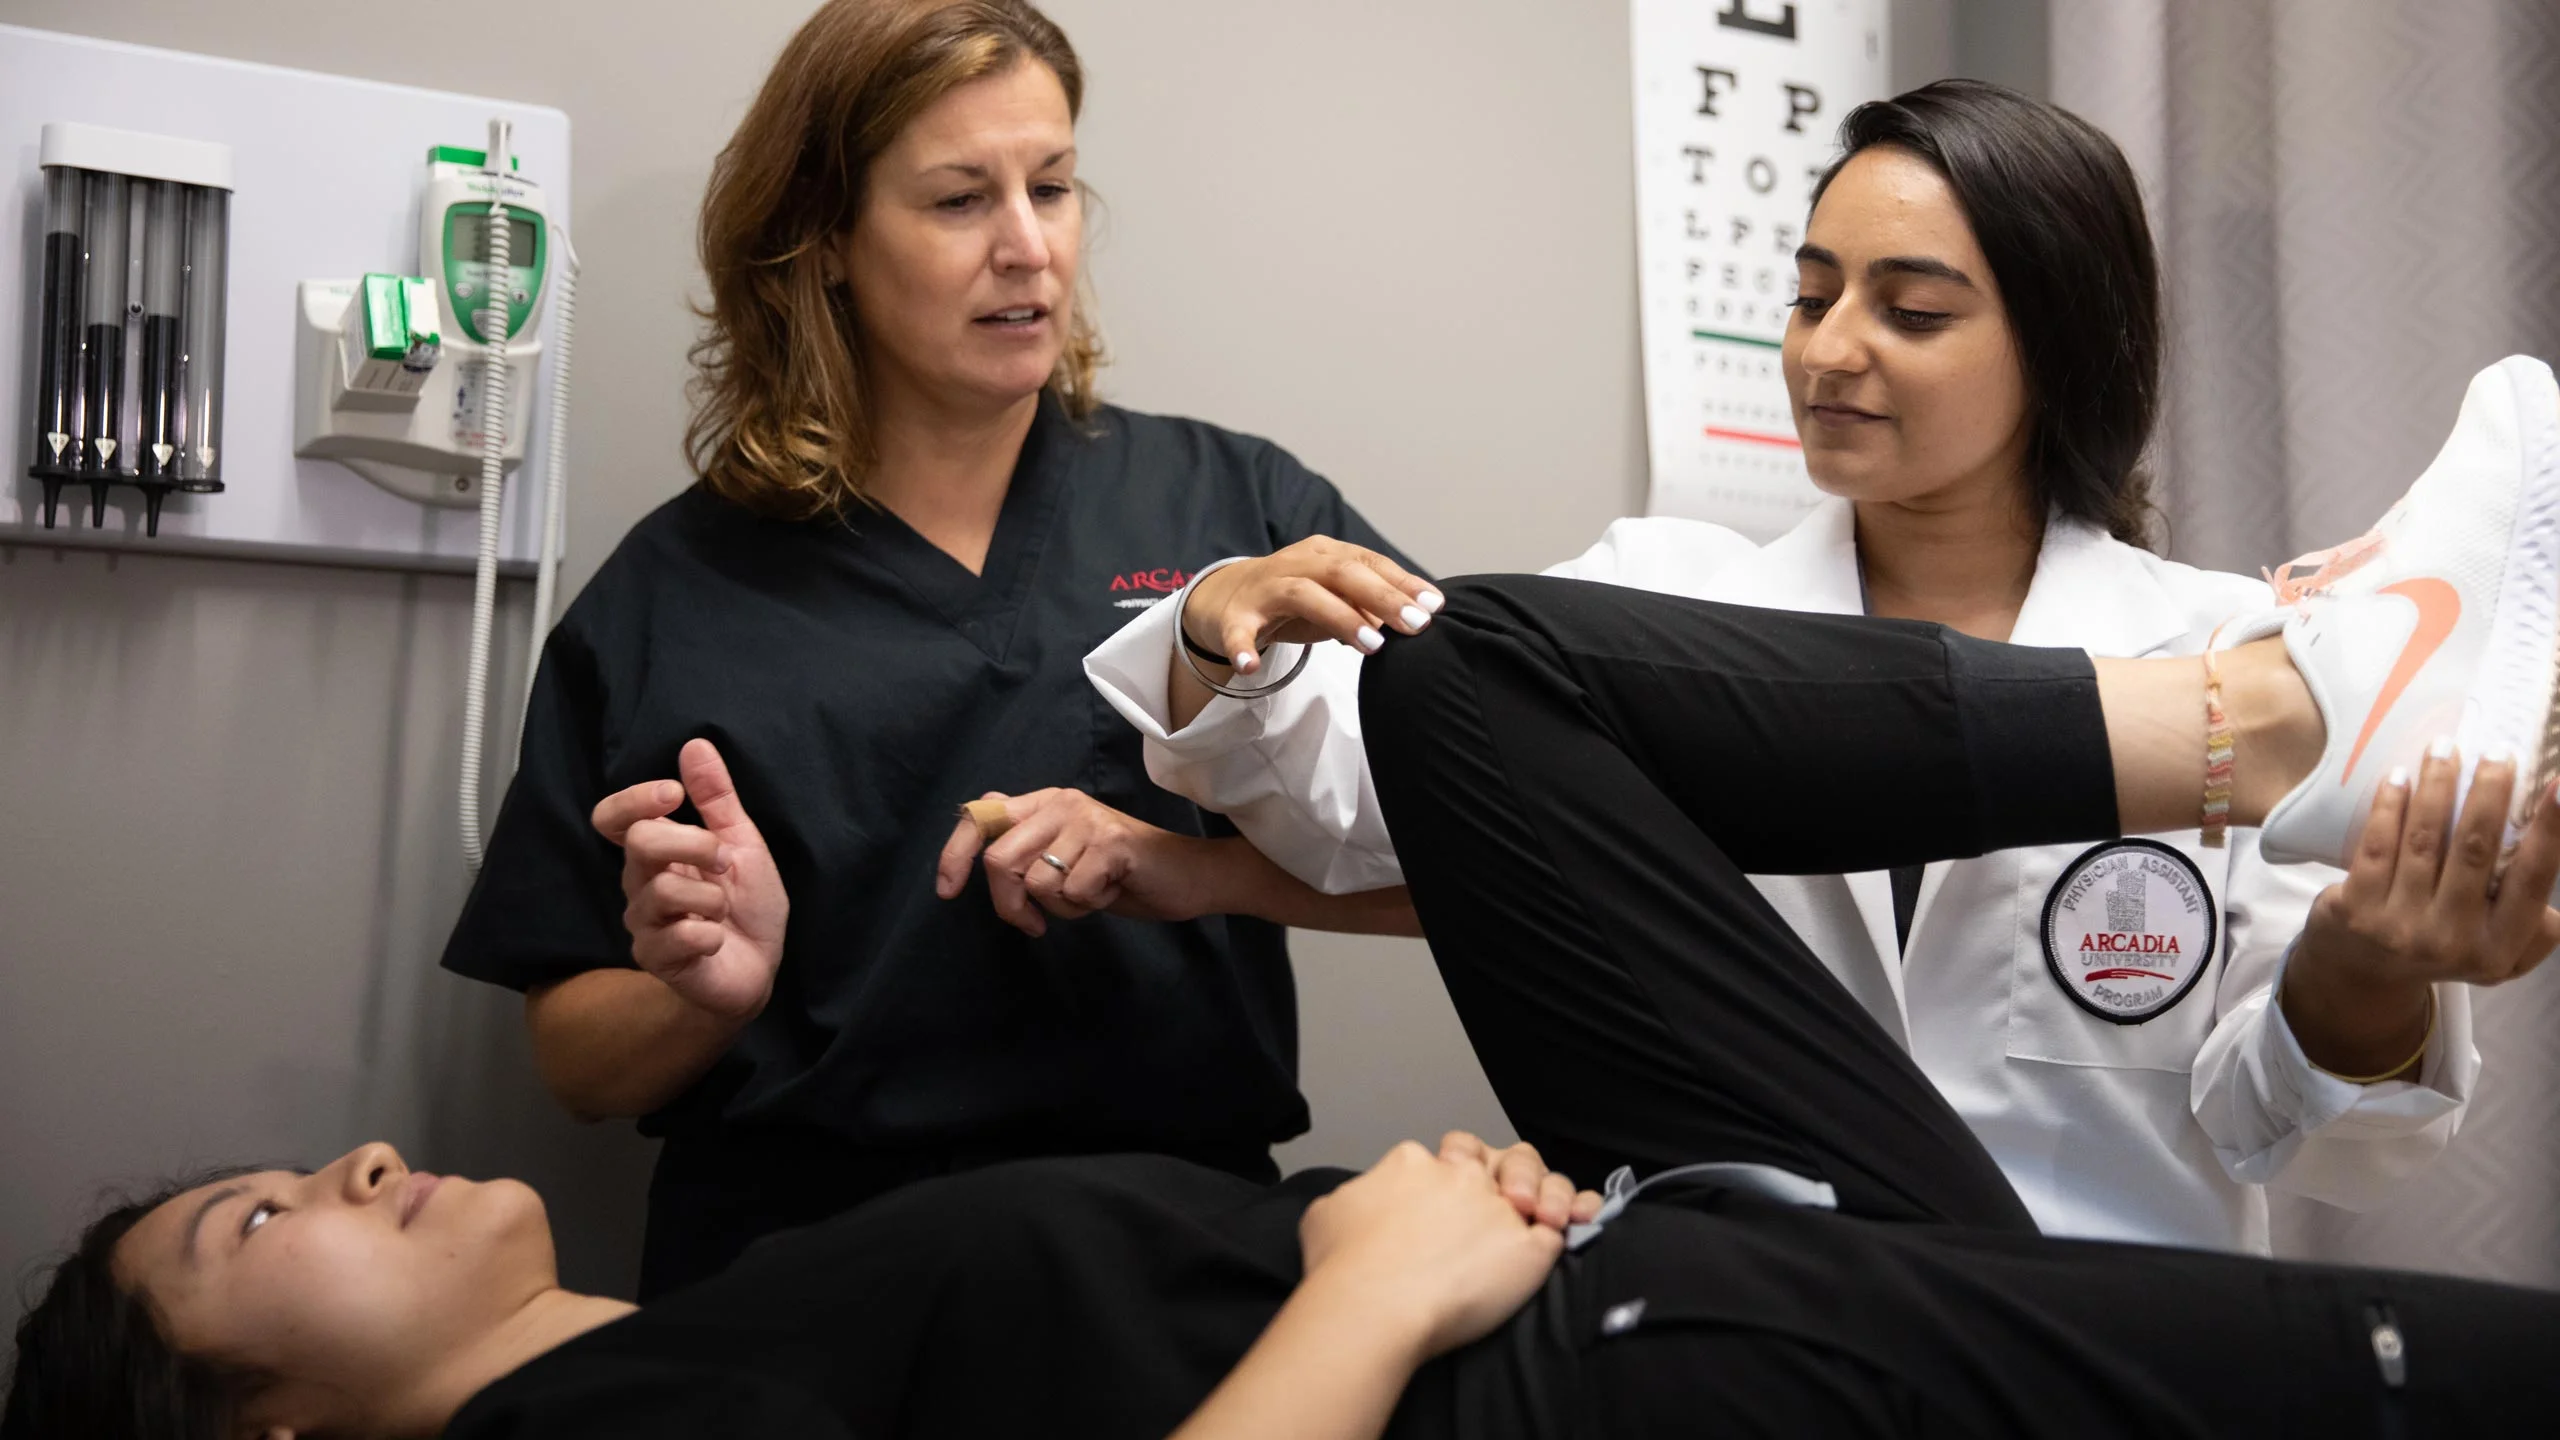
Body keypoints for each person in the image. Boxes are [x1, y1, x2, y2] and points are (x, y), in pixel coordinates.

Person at [13, 446, 2560, 1437]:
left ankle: (2273, 714)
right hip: (1601, 1349)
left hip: (1656, 1250)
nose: (348, 1156)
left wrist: (1219, 850)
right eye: (262, 1225)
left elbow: (1450, 816)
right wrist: (1367, 1275)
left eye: (1053, 184)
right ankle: (2282, 712)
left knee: (1472, 668)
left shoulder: (678, 1366)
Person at [1091, 82, 2535, 1250]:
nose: (1828, 351)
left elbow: (2306, 1143)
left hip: (2091, 1347)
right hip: (1760, 1325)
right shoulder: (1663, 607)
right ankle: (2285, 733)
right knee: (1466, 654)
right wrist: (1227, 621)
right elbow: (1359, 811)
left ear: (2061, 347)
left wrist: (2359, 973)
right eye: (1809, 295)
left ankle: (2297, 734)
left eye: (1910, 311)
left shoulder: (2210, 629)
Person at [439, 0, 1422, 1299]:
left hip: (1172, 1255)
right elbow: (573, 1064)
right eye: (961, 200)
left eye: (1054, 186)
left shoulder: (1234, 515)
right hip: (799, 1279)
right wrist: (705, 990)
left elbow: (1477, 864)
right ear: (826, 239)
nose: (1029, 249)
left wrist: (1189, 870)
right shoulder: (675, 594)